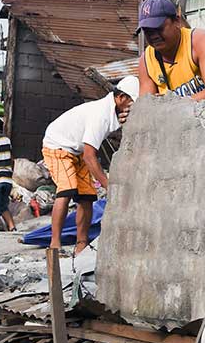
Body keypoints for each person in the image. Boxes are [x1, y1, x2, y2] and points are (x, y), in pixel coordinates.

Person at [42, 76, 139, 255]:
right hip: (57, 145)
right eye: (132, 103)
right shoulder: (100, 115)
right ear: (121, 98)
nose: (133, 108)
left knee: (87, 196)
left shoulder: (114, 111)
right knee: (67, 190)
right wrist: (108, 186)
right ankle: (55, 244)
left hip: (76, 150)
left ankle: (82, 243)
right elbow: (89, 155)